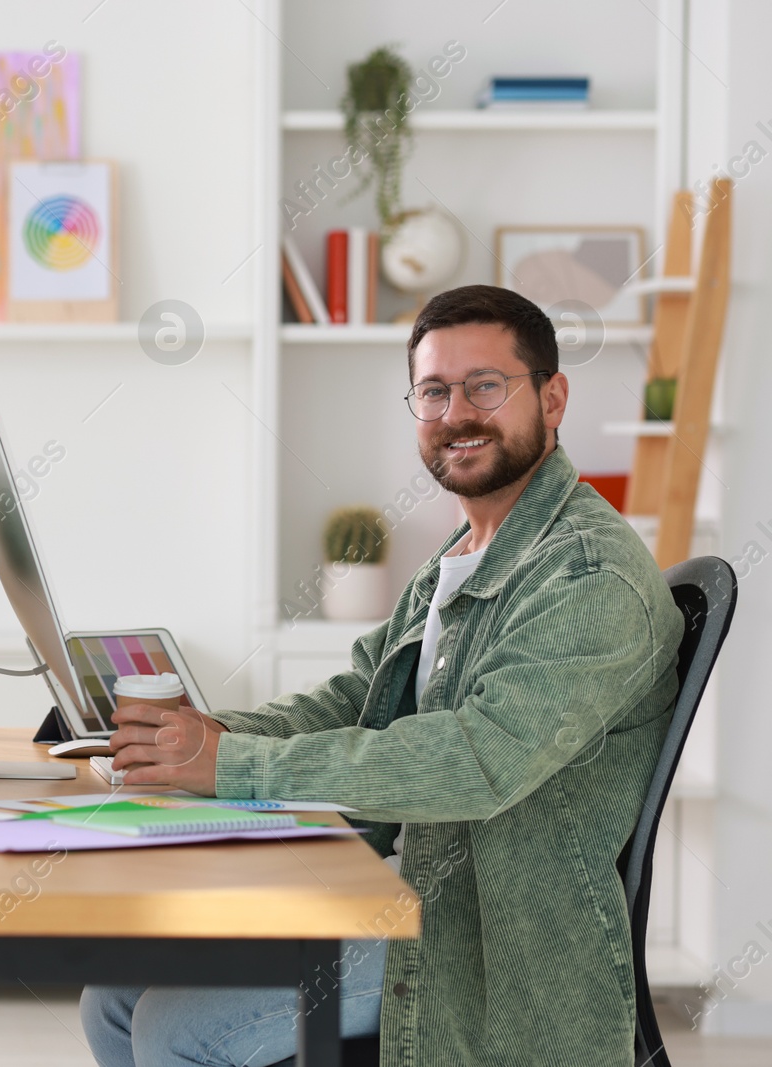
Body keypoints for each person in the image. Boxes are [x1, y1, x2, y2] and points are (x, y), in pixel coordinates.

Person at [80, 285, 685, 1067]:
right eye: (434, 391)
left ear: (553, 395)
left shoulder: (588, 575)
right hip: (409, 883)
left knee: (173, 1028)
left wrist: (229, 764)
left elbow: (475, 758)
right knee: (113, 1000)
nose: (457, 412)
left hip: (486, 939)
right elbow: (355, 699)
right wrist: (201, 738)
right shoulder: (460, 558)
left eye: (486, 385)